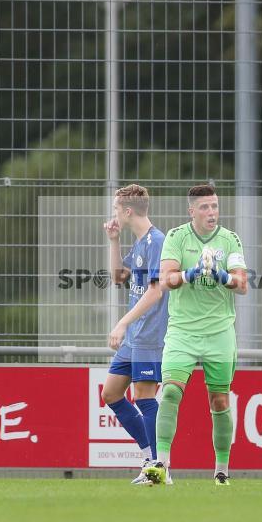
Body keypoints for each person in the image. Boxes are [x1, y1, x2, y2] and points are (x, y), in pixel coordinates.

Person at [144, 184, 248, 486]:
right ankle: (161, 464)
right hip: (183, 331)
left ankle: (221, 470)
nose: (211, 212)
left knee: (219, 400)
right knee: (172, 391)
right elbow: (166, 279)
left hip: (219, 332)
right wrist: (190, 275)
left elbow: (242, 284)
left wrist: (222, 276)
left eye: (214, 206)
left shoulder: (230, 240)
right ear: (192, 211)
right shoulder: (177, 237)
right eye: (205, 207)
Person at [102, 184, 169, 485]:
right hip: (134, 337)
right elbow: (119, 277)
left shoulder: (157, 241)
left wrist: (122, 322)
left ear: (128, 211)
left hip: (150, 334)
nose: (115, 213)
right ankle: (148, 458)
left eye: (117, 208)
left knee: (143, 397)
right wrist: (114, 241)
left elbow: (155, 292)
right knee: (111, 393)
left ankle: (160, 468)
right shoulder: (140, 242)